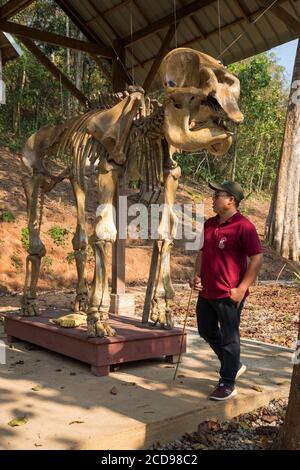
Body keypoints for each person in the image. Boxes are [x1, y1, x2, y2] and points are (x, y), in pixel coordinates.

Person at [191, 181, 263, 401]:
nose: (212, 198)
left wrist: (241, 289)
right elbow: (202, 253)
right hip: (207, 292)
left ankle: (227, 382)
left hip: (229, 294)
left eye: (217, 195)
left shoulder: (244, 226)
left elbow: (257, 258)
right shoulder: (209, 224)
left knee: (230, 339)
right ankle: (234, 364)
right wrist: (196, 276)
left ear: (231, 200)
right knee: (205, 330)